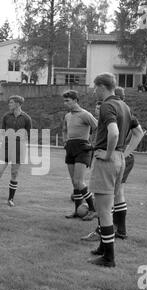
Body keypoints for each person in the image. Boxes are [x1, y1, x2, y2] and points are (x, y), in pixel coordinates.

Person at [81, 86, 144, 242]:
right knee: (118, 194)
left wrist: (120, 153)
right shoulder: (127, 112)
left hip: (116, 157)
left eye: (99, 104)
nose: (98, 107)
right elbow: (139, 132)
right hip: (123, 157)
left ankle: (103, 231)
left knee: (105, 197)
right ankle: (120, 230)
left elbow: (116, 134)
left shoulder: (114, 113)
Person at [88, 73, 133, 268]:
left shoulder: (107, 105)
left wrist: (106, 154)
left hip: (108, 159)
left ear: (102, 87)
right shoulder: (124, 105)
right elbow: (136, 131)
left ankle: (109, 258)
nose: (94, 91)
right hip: (121, 158)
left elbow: (113, 132)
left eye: (95, 87)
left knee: (103, 210)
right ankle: (102, 247)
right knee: (110, 205)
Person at [0, 95, 32, 207]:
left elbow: (29, 135)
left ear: (18, 104)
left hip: (18, 149)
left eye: (11, 103)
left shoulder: (26, 118)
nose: (9, 104)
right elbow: (2, 132)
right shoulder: (6, 116)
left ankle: (10, 199)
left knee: (14, 174)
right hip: (6, 148)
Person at [62, 90, 98, 221]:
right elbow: (64, 129)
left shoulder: (85, 114)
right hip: (70, 147)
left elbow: (98, 127)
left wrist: (92, 143)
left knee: (79, 181)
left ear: (75, 100)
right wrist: (65, 140)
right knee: (74, 183)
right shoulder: (67, 116)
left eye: (68, 101)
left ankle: (93, 209)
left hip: (83, 148)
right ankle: (77, 211)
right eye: (64, 101)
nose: (65, 103)